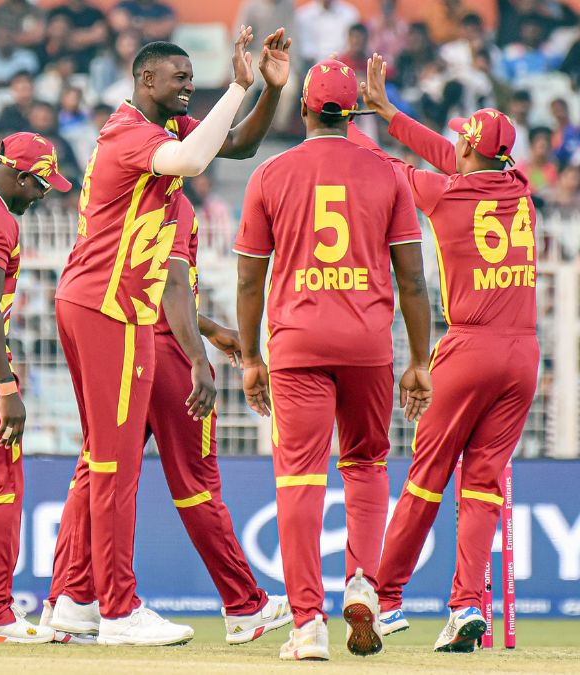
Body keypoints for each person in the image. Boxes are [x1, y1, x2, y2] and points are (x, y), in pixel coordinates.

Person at [45, 28, 298, 646]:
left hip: (102, 307)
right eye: (179, 78)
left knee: (101, 463)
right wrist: (236, 84)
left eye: (193, 77)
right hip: (110, 310)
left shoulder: (166, 138)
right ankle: (119, 611)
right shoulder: (131, 133)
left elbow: (233, 146)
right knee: (114, 467)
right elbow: (193, 161)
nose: (189, 85)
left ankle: (76, 600)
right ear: (145, 81)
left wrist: (267, 89)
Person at [234, 58, 432, 661]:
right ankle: (363, 582)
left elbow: (248, 280)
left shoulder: (271, 173)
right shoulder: (388, 173)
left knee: (298, 477)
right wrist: (420, 360)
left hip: (295, 345)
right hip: (368, 344)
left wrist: (249, 357)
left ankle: (306, 625)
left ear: (303, 109)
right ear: (356, 112)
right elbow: (414, 282)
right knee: (368, 463)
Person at [355, 54, 539, 653]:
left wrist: (349, 123)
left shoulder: (447, 197)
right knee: (482, 484)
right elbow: (455, 157)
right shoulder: (520, 189)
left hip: (469, 349)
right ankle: (467, 606)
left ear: (469, 153)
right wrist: (393, 113)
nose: (455, 147)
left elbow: (388, 167)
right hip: (524, 356)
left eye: (462, 142)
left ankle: (385, 598)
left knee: (427, 480)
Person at [0, 132, 72, 644]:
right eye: (40, 185)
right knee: (1, 491)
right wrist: (5, 384)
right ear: (19, 175)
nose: (42, 196)